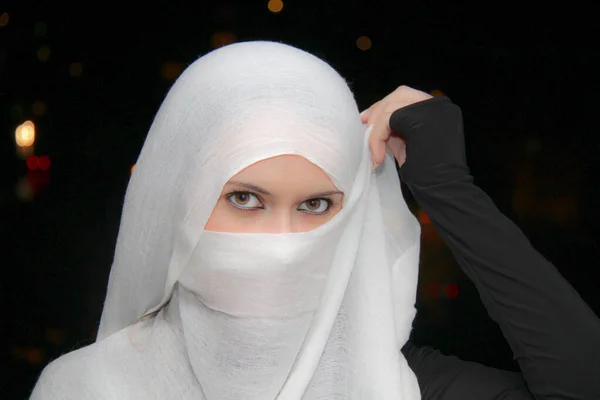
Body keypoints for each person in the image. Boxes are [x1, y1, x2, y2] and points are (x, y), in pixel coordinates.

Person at [29, 41, 600, 400]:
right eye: (246, 199)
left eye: (314, 206)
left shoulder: (400, 385)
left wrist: (450, 186)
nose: (281, 245)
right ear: (177, 200)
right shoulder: (84, 388)